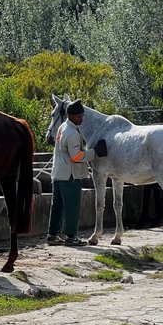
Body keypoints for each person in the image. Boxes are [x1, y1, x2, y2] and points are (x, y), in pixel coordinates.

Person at [47, 99, 103, 246]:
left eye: (82, 116)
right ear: (71, 116)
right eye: (79, 117)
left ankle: (52, 235)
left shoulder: (63, 128)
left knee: (57, 206)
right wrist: (94, 152)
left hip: (59, 173)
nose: (82, 119)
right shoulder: (72, 133)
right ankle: (71, 237)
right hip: (70, 176)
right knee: (72, 207)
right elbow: (76, 157)